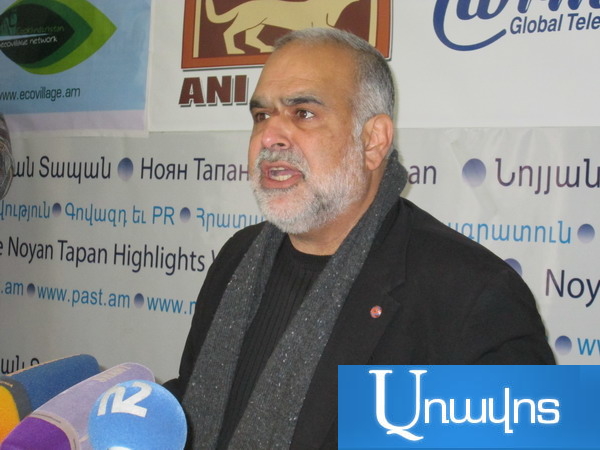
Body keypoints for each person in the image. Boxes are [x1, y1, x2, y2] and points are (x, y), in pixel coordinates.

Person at [165, 27, 555, 449]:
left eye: (303, 113)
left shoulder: (472, 294)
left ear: (373, 141)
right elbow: (202, 404)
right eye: (261, 116)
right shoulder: (238, 257)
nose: (269, 137)